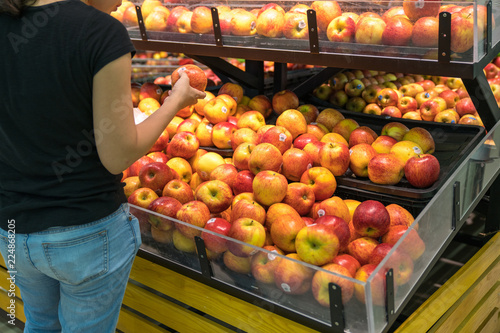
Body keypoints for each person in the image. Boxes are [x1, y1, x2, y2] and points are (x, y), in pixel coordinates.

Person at [0, 0, 206, 331]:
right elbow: (117, 155)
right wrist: (175, 102)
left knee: (38, 324)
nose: (124, 2)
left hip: (12, 230)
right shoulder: (99, 32)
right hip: (85, 230)